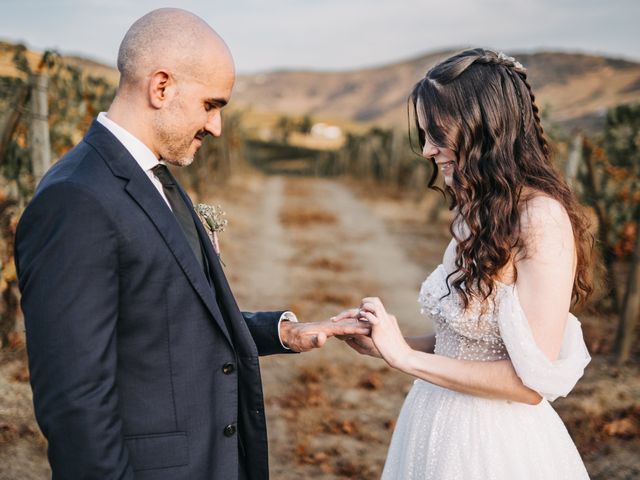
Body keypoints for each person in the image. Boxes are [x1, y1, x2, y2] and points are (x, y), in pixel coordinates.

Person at [14, 8, 369, 480]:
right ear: (161, 88)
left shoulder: (155, 177)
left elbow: (169, 318)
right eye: (211, 105)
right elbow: (75, 401)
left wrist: (281, 332)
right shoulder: (75, 199)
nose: (217, 127)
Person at [335, 48, 594, 479]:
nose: (428, 149)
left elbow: (530, 384)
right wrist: (388, 342)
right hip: (433, 424)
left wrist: (405, 359)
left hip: (493, 444)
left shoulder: (541, 219)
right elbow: (464, 346)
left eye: (437, 132)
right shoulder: (474, 212)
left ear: (487, 127)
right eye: (423, 134)